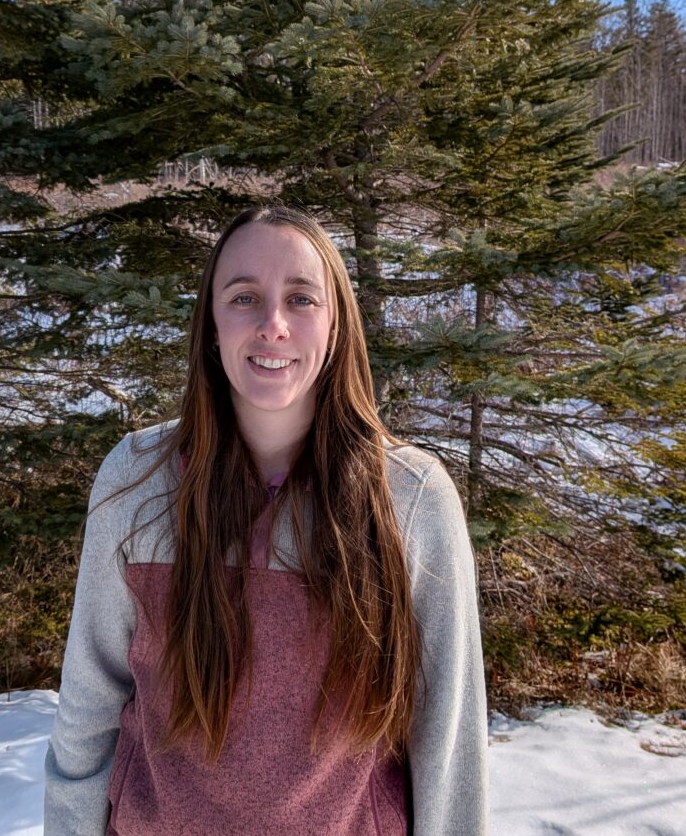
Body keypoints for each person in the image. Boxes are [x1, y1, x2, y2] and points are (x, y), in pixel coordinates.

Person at [43, 204, 488, 835]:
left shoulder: (409, 496)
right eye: (244, 296)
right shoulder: (137, 480)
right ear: (211, 326)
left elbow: (448, 737)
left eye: (302, 299)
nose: (273, 324)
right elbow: (89, 707)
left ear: (336, 326)